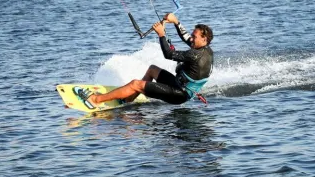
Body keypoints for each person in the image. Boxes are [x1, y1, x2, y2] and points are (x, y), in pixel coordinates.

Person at [77, 13, 214, 108]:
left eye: (195, 36)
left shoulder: (195, 54)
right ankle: (129, 98)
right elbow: (186, 38)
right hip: (180, 87)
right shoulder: (206, 50)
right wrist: (176, 22)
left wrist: (161, 34)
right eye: (193, 35)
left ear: (204, 39)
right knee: (152, 70)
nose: (191, 38)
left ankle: (96, 100)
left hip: (179, 94)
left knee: (135, 84)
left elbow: (168, 54)